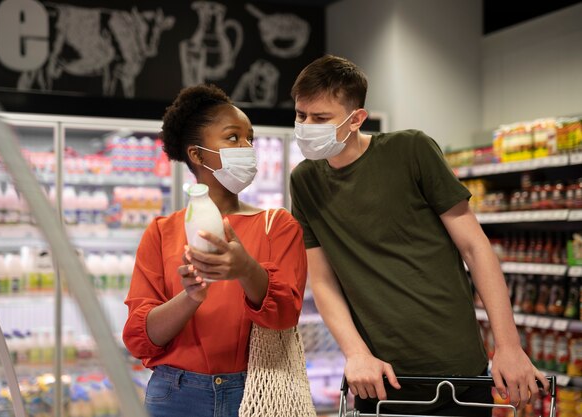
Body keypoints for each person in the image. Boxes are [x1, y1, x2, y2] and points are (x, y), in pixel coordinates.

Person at [288, 55, 549, 416]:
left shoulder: (411, 150)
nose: (306, 126)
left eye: (320, 118)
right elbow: (323, 280)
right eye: (301, 116)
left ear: (356, 119)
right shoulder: (304, 181)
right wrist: (356, 353)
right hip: (379, 376)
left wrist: (508, 346)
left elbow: (475, 248)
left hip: (455, 368)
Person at [122, 84, 307, 417]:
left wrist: (246, 269)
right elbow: (141, 338)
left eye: (250, 138)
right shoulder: (161, 233)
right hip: (175, 396)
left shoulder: (278, 226)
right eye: (233, 138)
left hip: (257, 391)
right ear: (197, 154)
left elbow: (285, 315)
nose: (247, 147)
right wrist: (190, 296)